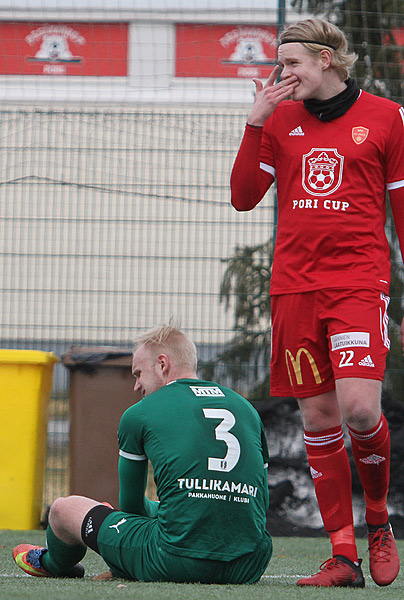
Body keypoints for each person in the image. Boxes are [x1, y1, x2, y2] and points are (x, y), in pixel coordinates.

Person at [229, 18, 404, 587]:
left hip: (358, 283)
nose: (283, 75)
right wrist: (253, 126)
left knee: (359, 410)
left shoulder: (386, 117)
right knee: (320, 418)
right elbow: (243, 198)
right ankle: (343, 555)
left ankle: (378, 521)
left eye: (293, 64)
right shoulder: (277, 119)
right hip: (295, 288)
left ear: (326, 59)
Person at [12, 323, 272, 583]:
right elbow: (260, 503)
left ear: (162, 365)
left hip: (171, 559)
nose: (137, 386)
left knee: (62, 510)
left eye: (138, 374)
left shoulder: (139, 413)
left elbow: (132, 506)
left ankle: (52, 563)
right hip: (249, 565)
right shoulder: (246, 408)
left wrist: (119, 515)